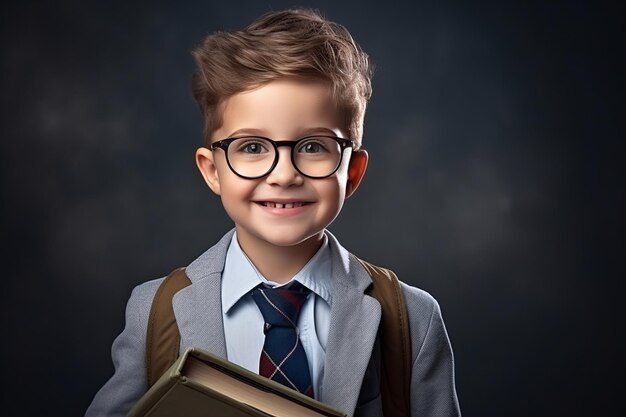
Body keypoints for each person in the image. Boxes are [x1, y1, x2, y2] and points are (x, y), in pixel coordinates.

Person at [85, 8, 460, 417]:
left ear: (351, 173)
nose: (283, 175)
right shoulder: (154, 310)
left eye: (314, 146)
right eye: (251, 147)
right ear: (212, 171)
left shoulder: (412, 318)